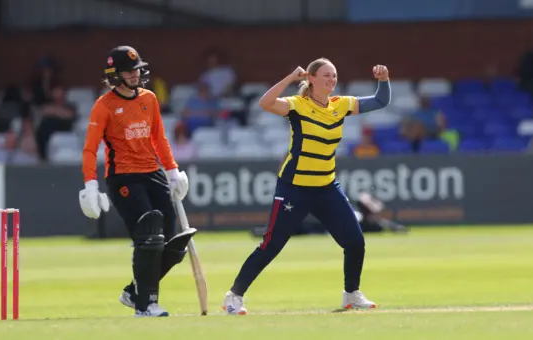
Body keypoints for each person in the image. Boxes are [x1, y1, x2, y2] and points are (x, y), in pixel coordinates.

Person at [222, 57, 392, 315]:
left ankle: (351, 294)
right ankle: (234, 296)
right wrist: (290, 79)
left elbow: (381, 101)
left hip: (326, 187)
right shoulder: (297, 105)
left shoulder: (341, 105)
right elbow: (265, 103)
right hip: (295, 188)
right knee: (272, 244)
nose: (332, 80)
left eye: (334, 75)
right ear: (311, 79)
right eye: (326, 75)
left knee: (355, 241)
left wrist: (383, 80)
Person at [79, 46, 195, 317]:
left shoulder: (149, 98)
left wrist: (172, 170)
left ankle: (134, 292)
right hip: (123, 176)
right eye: (129, 71)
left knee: (173, 246)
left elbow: (159, 138)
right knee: (149, 236)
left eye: (137, 69)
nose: (135, 74)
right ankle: (146, 305)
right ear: (114, 74)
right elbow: (90, 147)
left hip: (152, 173)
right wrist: (90, 185)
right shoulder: (104, 105)